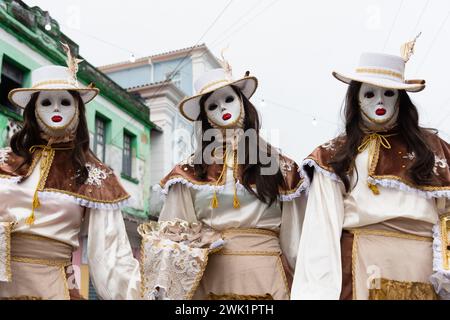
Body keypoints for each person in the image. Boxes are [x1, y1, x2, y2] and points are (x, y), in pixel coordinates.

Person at [292, 36, 450, 300]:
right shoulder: (334, 155)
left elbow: (447, 218)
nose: (380, 101)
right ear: (355, 99)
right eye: (369, 93)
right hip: (359, 265)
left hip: (423, 270)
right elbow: (321, 231)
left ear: (401, 99)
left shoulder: (434, 151)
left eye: (389, 93)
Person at [154, 60, 306, 300]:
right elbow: (174, 237)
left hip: (268, 279)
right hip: (210, 282)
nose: (222, 108)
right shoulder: (188, 174)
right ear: (205, 117)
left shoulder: (279, 166)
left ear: (243, 103)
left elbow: (296, 241)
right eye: (213, 105)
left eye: (228, 99)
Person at [0, 45, 140, 300]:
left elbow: (111, 254)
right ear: (33, 109)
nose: (56, 109)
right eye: (46, 101)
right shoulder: (4, 160)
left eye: (65, 101)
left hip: (54, 289)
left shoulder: (94, 174)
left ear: (77, 110)